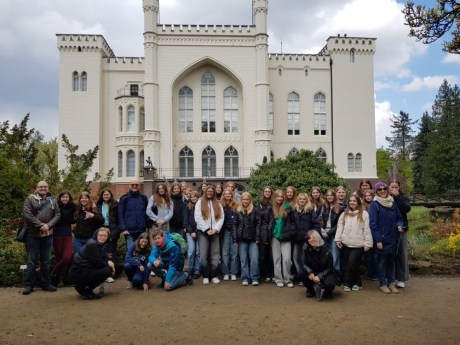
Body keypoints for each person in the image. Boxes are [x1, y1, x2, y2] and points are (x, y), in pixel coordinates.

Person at [22, 181, 61, 295]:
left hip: (48, 235)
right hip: (32, 235)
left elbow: (58, 214)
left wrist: (48, 226)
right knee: (31, 261)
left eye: (45, 187)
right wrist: (41, 225)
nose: (43, 188)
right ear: (37, 188)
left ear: (48, 188)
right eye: (41, 186)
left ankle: (46, 283)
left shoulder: (53, 200)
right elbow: (27, 215)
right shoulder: (29, 199)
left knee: (46, 261)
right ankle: (29, 285)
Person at [369, 182, 404, 294]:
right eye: (380, 189)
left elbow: (399, 217)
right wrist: (378, 240)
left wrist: (399, 224)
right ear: (376, 191)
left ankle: (391, 283)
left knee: (392, 262)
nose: (383, 191)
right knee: (382, 262)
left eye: (384, 188)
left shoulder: (392, 203)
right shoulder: (374, 205)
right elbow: (373, 224)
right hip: (382, 239)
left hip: (393, 237)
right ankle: (383, 284)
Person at [335, 194, 373, 292]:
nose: (352, 202)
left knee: (352, 263)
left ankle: (347, 282)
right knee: (349, 264)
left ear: (358, 202)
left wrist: (368, 243)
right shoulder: (344, 214)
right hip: (346, 243)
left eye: (354, 201)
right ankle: (357, 283)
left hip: (358, 244)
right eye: (350, 201)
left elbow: (366, 229)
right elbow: (340, 227)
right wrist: (338, 239)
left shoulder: (364, 214)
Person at [69, 227, 115, 299]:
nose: (102, 237)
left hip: (83, 271)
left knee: (106, 269)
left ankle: (84, 290)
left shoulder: (98, 244)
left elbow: (103, 257)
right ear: (96, 235)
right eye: (100, 235)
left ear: (108, 237)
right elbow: (97, 263)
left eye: (104, 235)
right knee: (107, 270)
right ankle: (85, 289)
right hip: (78, 273)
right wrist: (110, 267)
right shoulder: (92, 244)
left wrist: (109, 261)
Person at [195, 185, 224, 285]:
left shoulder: (218, 203)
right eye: (208, 191)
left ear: (214, 193)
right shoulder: (199, 202)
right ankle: (206, 275)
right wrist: (207, 229)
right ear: (205, 192)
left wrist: (215, 229)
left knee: (215, 255)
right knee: (203, 256)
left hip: (215, 232)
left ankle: (213, 276)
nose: (210, 193)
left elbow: (221, 218)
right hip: (203, 232)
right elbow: (197, 218)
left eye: (212, 191)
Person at [291, 193, 321, 285]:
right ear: (297, 200)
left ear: (307, 200)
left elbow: (317, 225)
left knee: (304, 259)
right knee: (295, 257)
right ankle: (301, 275)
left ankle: (306, 276)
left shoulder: (310, 211)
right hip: (296, 239)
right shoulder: (294, 211)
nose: (302, 201)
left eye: (304, 199)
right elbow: (291, 223)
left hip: (307, 239)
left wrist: (312, 235)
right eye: (300, 199)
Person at [268, 189, 295, 288]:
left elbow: (293, 222)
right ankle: (278, 279)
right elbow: (268, 223)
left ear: (283, 198)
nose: (279, 198)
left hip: (286, 237)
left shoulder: (288, 208)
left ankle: (287, 279)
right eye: (277, 197)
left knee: (287, 259)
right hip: (275, 237)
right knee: (277, 259)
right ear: (274, 198)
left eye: (281, 197)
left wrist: (291, 232)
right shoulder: (271, 209)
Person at [233, 192, 261, 286]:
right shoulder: (238, 210)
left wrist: (257, 237)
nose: (245, 201)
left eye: (247, 199)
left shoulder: (255, 209)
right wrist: (235, 238)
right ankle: (245, 277)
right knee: (243, 260)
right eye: (244, 199)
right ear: (241, 200)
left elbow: (258, 224)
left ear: (250, 200)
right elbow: (235, 225)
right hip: (242, 239)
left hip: (253, 239)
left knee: (254, 259)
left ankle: (255, 278)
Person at [302, 230, 336, 300]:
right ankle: (310, 289)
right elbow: (303, 263)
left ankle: (327, 290)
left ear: (319, 238)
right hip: (312, 271)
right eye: (310, 239)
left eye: (315, 238)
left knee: (329, 284)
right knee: (300, 273)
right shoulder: (305, 248)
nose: (312, 240)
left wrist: (319, 276)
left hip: (325, 272)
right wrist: (310, 272)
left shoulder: (326, 249)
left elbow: (330, 268)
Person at [389, 180, 411, 288]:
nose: (394, 189)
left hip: (401, 229)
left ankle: (402, 278)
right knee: (390, 254)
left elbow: (406, 208)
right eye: (392, 187)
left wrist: (397, 197)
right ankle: (392, 277)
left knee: (401, 254)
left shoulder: (403, 197)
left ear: (399, 187)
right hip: (388, 230)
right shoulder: (386, 196)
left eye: (396, 187)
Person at [51, 191, 75, 287]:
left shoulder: (73, 207)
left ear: (69, 198)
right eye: (63, 197)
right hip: (57, 234)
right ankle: (60, 279)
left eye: (67, 197)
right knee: (59, 258)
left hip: (67, 234)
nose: (65, 198)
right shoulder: (55, 206)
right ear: (60, 198)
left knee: (66, 257)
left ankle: (52, 273)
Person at [96, 189, 119, 283]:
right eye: (104, 194)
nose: (106, 196)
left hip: (113, 229)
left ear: (111, 195)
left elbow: (118, 218)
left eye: (108, 194)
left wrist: (116, 232)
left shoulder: (115, 205)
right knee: (101, 252)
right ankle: (103, 273)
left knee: (111, 253)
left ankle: (111, 273)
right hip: (101, 229)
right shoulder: (98, 206)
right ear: (102, 196)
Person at [118, 180, 149, 250]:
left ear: (139, 186)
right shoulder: (124, 198)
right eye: (132, 185)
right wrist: (123, 228)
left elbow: (147, 213)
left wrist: (147, 226)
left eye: (136, 185)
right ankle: (130, 261)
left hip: (141, 230)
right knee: (130, 250)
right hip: (129, 231)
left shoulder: (143, 198)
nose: (134, 186)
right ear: (129, 186)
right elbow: (120, 214)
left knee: (141, 250)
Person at [321, 189, 343, 274]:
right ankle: (327, 274)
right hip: (323, 234)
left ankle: (336, 274)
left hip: (334, 234)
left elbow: (339, 224)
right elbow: (318, 219)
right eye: (328, 195)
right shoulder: (323, 207)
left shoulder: (340, 208)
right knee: (325, 255)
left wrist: (329, 232)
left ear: (334, 196)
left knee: (335, 255)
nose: (329, 197)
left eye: (331, 195)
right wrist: (322, 230)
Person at [220, 187, 239, 281]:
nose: (227, 195)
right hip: (225, 231)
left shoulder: (236, 205)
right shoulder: (220, 205)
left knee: (234, 252)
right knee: (225, 252)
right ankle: (226, 272)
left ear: (232, 195)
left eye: (229, 194)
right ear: (223, 195)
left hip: (234, 230)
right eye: (225, 194)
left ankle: (233, 272)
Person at [256, 186, 274, 283]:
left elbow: (273, 219)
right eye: (265, 191)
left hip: (271, 231)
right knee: (262, 255)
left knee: (271, 255)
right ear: (263, 193)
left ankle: (272, 274)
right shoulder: (259, 204)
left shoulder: (274, 203)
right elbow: (258, 220)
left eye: (269, 191)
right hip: (261, 231)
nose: (267, 193)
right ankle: (264, 274)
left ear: (271, 193)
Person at [184, 191, 201, 279]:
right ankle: (190, 269)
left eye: (195, 197)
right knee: (191, 251)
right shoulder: (188, 207)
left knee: (198, 252)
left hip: (199, 232)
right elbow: (186, 221)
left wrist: (197, 231)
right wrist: (191, 232)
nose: (193, 198)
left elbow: (202, 220)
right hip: (190, 233)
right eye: (192, 197)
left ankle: (197, 270)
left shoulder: (201, 207)